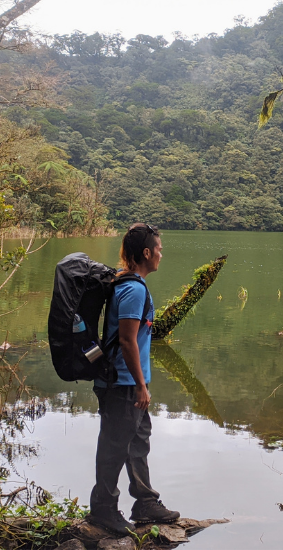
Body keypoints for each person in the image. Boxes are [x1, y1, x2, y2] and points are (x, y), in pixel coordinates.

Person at [88, 223, 180, 534]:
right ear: (146, 253)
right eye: (158, 249)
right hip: (122, 384)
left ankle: (145, 503)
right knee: (115, 446)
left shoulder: (130, 284)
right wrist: (141, 385)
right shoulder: (132, 289)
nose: (160, 255)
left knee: (137, 441)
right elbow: (127, 340)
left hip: (129, 382)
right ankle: (103, 509)